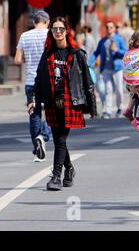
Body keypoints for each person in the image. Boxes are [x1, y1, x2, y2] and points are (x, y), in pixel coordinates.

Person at [29, 17, 97, 191]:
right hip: (52, 102)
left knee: (60, 139)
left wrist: (91, 107)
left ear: (67, 31)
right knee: (59, 140)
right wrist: (32, 99)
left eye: (60, 29)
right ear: (51, 33)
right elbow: (38, 78)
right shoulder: (48, 54)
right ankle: (70, 169)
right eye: (54, 29)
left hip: (69, 101)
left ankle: (56, 177)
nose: (57, 32)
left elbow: (87, 81)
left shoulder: (76, 54)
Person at [14, 11, 52, 162]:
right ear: (47, 22)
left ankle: (37, 149)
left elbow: (17, 60)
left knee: (34, 114)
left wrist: (29, 61)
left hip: (31, 81)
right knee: (52, 112)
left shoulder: (24, 35)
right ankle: (43, 136)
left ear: (35, 22)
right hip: (48, 81)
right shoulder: (50, 35)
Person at [89, 20, 127, 119]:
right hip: (106, 68)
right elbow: (96, 52)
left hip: (117, 68)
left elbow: (125, 52)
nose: (109, 29)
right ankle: (108, 111)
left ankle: (119, 107)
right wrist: (88, 62)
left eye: (111, 27)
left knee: (119, 89)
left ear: (114, 28)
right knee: (108, 90)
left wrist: (117, 51)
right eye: (107, 27)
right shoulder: (102, 41)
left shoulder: (119, 39)